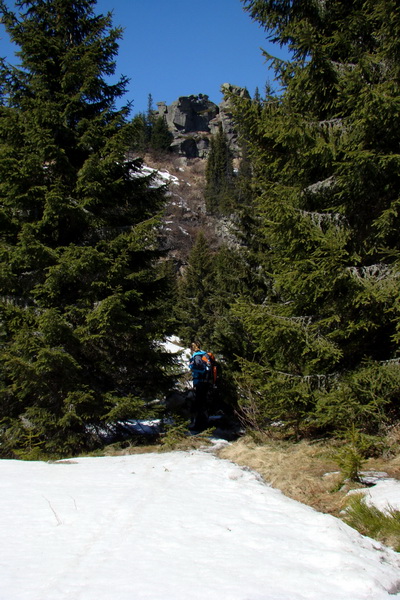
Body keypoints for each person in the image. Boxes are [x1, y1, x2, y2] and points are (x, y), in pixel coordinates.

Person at [188, 341, 215, 431]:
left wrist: (191, 367)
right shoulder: (204, 354)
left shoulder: (197, 356)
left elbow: (200, 368)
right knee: (203, 403)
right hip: (206, 381)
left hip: (200, 382)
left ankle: (199, 426)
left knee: (199, 403)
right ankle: (204, 423)